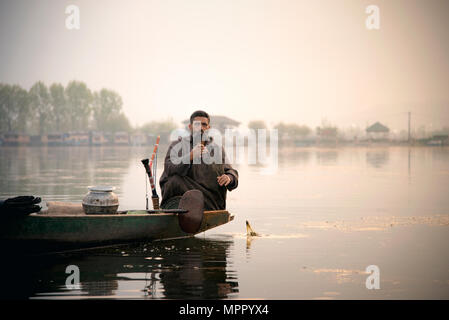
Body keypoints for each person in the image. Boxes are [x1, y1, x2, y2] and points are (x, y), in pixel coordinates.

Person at [159, 110, 238, 210]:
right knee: (173, 181)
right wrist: (190, 156)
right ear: (190, 127)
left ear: (208, 128)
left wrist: (229, 177)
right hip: (183, 197)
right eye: (197, 124)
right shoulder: (177, 145)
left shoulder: (217, 149)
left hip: (209, 200)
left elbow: (230, 171)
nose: (201, 128)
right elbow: (168, 168)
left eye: (204, 125)